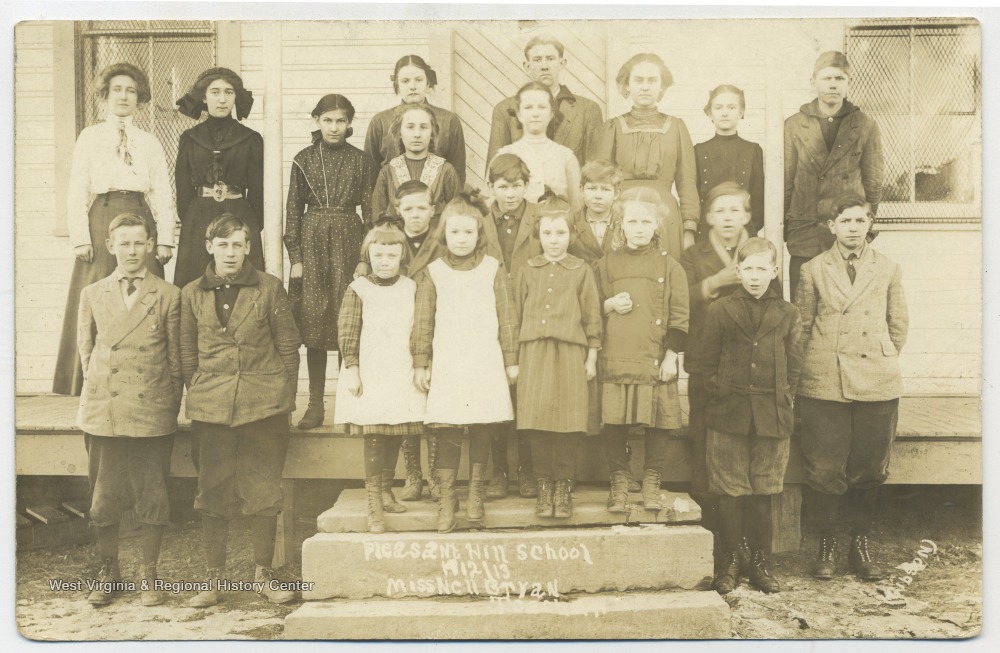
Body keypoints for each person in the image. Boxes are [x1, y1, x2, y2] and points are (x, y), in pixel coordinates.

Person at [180, 214, 301, 607]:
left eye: (237, 245)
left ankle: (263, 576)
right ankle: (214, 580)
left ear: (248, 248)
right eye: (223, 244)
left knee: (263, 491)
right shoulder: (191, 293)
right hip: (211, 409)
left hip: (263, 408)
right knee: (211, 493)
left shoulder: (269, 288)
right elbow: (186, 353)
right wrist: (201, 391)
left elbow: (288, 347)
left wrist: (282, 396)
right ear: (209, 247)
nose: (230, 252)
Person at [795, 196, 908, 582]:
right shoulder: (813, 269)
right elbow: (803, 326)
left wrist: (879, 357)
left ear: (870, 223)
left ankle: (859, 546)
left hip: (876, 380)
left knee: (869, 470)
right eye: (846, 221)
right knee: (824, 469)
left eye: (861, 220)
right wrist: (804, 374)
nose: (854, 228)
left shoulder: (888, 268)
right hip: (825, 379)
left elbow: (898, 325)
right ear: (832, 226)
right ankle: (826, 547)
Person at [76, 213, 182, 607]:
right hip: (105, 410)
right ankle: (110, 572)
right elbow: (86, 352)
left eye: (139, 243)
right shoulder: (92, 293)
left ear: (151, 245)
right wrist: (99, 394)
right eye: (125, 243)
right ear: (110, 246)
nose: (132, 251)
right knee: (104, 497)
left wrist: (167, 406)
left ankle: (149, 574)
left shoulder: (168, 294)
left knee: (152, 494)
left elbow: (176, 361)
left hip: (150, 410)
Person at [54, 62, 176, 396]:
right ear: (105, 96)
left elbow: (162, 192)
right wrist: (81, 238)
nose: (124, 96)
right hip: (101, 219)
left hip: (140, 215)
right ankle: (87, 379)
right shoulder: (90, 137)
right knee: (98, 294)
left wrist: (165, 238)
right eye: (117, 90)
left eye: (131, 91)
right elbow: (77, 189)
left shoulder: (149, 142)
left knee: (146, 295)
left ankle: (146, 377)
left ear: (140, 98)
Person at [692, 237, 803, 595]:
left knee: (764, 491)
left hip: (771, 414)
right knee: (730, 491)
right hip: (729, 412)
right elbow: (706, 362)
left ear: (774, 271)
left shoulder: (788, 313)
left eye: (762, 269)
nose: (755, 276)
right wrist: (722, 393)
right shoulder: (721, 309)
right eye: (748, 268)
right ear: (738, 271)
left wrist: (783, 398)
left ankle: (759, 564)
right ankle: (729, 563)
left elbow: (794, 365)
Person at [411, 195, 519, 532]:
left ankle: (475, 495)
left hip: (485, 360)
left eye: (468, 232)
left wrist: (511, 361)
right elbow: (423, 320)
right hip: (449, 362)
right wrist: (421, 362)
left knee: (483, 423)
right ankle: (447, 501)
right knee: (448, 427)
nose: (461, 239)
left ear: (479, 234)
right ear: (444, 234)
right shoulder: (434, 272)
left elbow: (507, 317)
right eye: (455, 232)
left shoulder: (493, 269)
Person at [681, 182, 770, 540]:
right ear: (707, 218)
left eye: (735, 210)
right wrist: (714, 282)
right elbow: (680, 299)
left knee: (742, 441)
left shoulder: (761, 251)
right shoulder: (694, 255)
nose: (728, 218)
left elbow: (776, 302)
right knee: (703, 437)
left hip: (749, 364)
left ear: (747, 216)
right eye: (720, 211)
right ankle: (710, 529)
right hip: (706, 360)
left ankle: (743, 534)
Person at [284, 94, 375, 430]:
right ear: (317, 121)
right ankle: (315, 404)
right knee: (314, 321)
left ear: (349, 123)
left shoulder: (361, 161)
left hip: (349, 240)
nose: (334, 127)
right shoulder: (303, 159)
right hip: (312, 243)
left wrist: (364, 258)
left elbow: (371, 212)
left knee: (345, 320)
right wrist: (296, 258)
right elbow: (293, 211)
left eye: (340, 121)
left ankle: (347, 405)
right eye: (328, 120)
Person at [596, 187, 689, 514]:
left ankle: (651, 481)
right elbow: (590, 309)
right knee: (614, 421)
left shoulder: (670, 267)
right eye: (632, 221)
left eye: (646, 222)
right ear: (621, 225)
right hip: (616, 358)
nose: (639, 228)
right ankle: (619, 481)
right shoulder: (606, 264)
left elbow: (680, 316)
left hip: (655, 359)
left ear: (656, 226)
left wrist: (671, 356)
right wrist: (609, 304)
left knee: (659, 422)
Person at [334, 222, 427, 534]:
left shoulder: (411, 287)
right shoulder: (359, 289)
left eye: (391, 255)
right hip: (371, 371)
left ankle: (386, 491)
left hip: (400, 371)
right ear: (368, 256)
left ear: (402, 256)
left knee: (395, 430)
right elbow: (348, 330)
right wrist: (352, 368)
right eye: (378, 255)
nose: (384, 261)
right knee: (375, 434)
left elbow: (417, 328)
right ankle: (373, 502)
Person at [514, 195, 602, 519]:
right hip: (534, 353)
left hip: (570, 353)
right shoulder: (527, 270)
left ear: (571, 234)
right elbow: (516, 314)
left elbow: (592, 317)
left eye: (561, 233)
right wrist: (514, 360)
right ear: (538, 235)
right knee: (537, 419)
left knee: (568, 420)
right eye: (548, 233)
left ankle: (563, 486)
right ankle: (543, 486)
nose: (554, 240)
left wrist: (591, 357)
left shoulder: (581, 270)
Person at [784, 51, 883, 300]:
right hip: (806, 232)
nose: (832, 84)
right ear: (813, 82)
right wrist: (788, 226)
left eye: (839, 78)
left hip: (845, 234)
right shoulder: (794, 125)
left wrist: (860, 225)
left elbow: (873, 183)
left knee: (845, 306)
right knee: (803, 305)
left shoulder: (865, 124)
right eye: (826, 78)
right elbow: (786, 180)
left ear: (848, 83)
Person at [597, 53, 699, 260]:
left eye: (652, 80)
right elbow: (600, 180)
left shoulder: (677, 127)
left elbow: (687, 181)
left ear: (662, 87)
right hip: (622, 215)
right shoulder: (613, 127)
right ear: (627, 85)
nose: (645, 87)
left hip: (665, 216)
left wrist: (689, 230)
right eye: (638, 80)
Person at [173, 67, 265, 289]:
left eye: (229, 92)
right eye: (215, 92)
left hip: (239, 214)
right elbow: (183, 189)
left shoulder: (251, 139)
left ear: (236, 97)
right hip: (198, 220)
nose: (222, 99)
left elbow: (257, 190)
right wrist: (192, 220)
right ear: (204, 97)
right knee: (196, 282)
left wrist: (251, 224)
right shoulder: (189, 138)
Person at [484, 153, 543, 499]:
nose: (510, 194)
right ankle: (498, 472)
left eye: (517, 186)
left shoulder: (539, 217)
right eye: (503, 186)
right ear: (491, 186)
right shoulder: (479, 222)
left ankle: (528, 471)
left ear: (526, 186)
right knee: (496, 395)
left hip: (530, 314)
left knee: (527, 396)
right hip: (491, 317)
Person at [486, 34, 603, 172]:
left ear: (562, 64)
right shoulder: (505, 109)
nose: (544, 66)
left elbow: (595, 172)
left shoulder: (588, 110)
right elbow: (495, 171)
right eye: (537, 60)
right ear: (527, 66)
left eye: (550, 59)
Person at [365, 55, 467, 184]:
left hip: (437, 196)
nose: (412, 86)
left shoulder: (449, 121)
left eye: (419, 80)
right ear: (397, 84)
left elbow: (457, 173)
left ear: (428, 82)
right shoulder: (380, 122)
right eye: (405, 81)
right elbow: (370, 173)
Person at [495, 82, 582, 210]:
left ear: (551, 114)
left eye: (542, 107)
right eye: (528, 107)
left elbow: (577, 209)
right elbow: (491, 209)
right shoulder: (504, 156)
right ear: (519, 115)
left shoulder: (566, 157)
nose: (535, 113)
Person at [694, 85, 765, 237]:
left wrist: (749, 227)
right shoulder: (699, 150)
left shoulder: (752, 150)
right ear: (710, 113)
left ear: (741, 112)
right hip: (706, 233)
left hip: (743, 232)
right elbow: (694, 196)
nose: (725, 113)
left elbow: (758, 198)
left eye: (731, 107)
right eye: (718, 107)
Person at [371, 103, 461, 220]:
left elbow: (458, 215)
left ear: (432, 133)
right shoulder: (387, 172)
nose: (417, 134)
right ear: (399, 132)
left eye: (423, 127)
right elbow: (377, 218)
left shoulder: (446, 171)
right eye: (410, 127)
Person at [568, 159, 624, 262]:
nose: (598, 196)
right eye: (592, 188)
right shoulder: (571, 222)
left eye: (605, 189)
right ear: (582, 190)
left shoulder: (624, 223)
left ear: (616, 193)